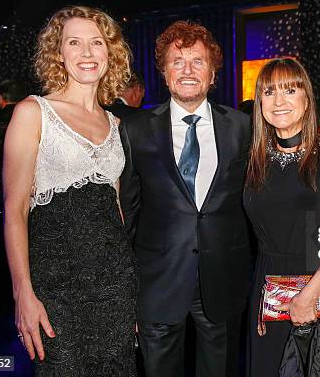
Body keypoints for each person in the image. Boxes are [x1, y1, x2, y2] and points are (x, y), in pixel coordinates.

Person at [3, 6, 137, 375]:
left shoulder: (116, 124)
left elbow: (117, 210)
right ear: (58, 53)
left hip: (115, 283)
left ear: (110, 53)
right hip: (56, 283)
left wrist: (132, 294)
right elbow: (15, 209)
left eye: (96, 42)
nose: (87, 52)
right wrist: (22, 293)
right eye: (74, 42)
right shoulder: (33, 112)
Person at [119, 20, 251, 377]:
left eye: (198, 61)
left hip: (222, 279)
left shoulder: (243, 127)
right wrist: (127, 289)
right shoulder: (135, 130)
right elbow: (127, 214)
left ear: (213, 74)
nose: (188, 70)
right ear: (164, 72)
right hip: (157, 283)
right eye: (177, 61)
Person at [244, 58, 320, 376]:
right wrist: (259, 297)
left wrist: (310, 294)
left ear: (306, 99)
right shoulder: (253, 159)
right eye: (269, 92)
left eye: (290, 90)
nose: (279, 101)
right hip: (268, 286)